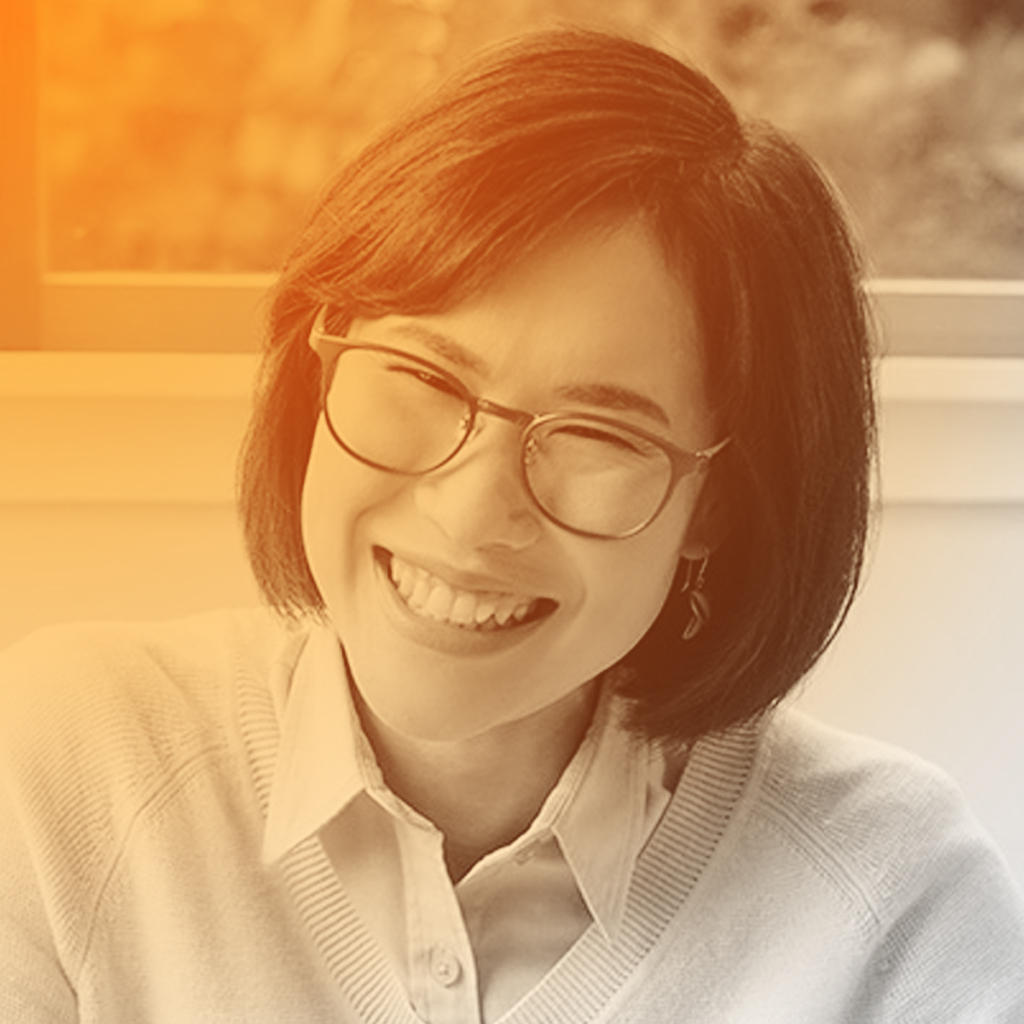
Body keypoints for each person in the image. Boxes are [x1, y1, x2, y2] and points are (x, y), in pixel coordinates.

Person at [2, 27, 1023, 1024]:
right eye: (422, 375)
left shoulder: (893, 900)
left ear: (717, 502)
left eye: (598, 434)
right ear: (316, 368)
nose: (474, 511)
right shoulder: (65, 767)